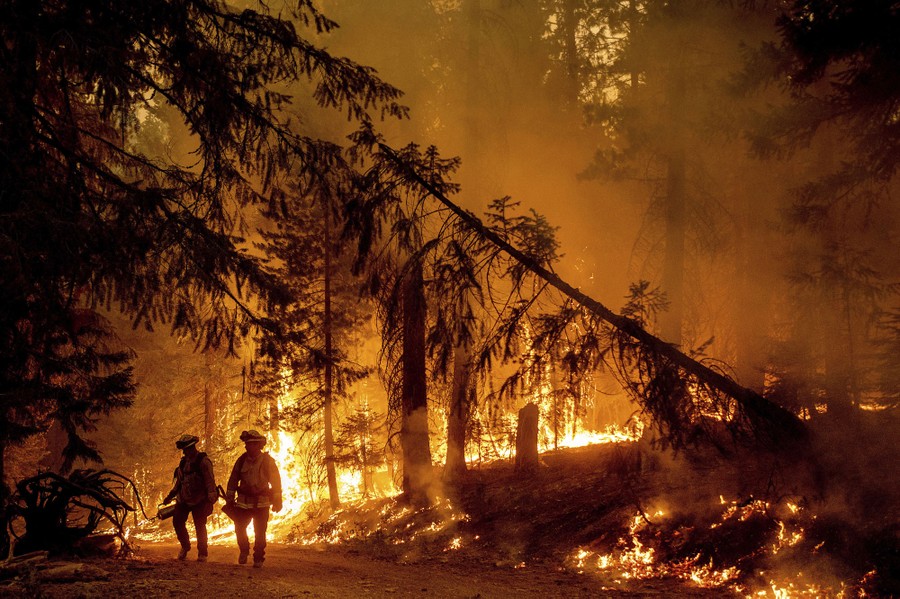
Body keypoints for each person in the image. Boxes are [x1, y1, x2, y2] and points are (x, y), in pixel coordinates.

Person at [225, 429, 282, 568]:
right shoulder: (241, 460)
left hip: (261, 503)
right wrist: (230, 497)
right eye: (246, 444)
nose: (246, 447)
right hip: (243, 503)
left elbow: (276, 481)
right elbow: (233, 479)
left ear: (258, 445)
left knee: (260, 532)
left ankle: (258, 558)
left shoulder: (268, 461)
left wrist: (277, 501)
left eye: (249, 444)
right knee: (239, 528)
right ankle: (244, 550)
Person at [163, 434, 218, 562]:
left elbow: (210, 481)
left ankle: (202, 553)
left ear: (193, 448)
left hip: (200, 500)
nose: (185, 452)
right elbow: (179, 483)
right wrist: (170, 496)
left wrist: (211, 500)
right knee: (177, 522)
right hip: (183, 499)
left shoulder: (204, 462)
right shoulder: (183, 463)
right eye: (184, 450)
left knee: (200, 526)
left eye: (187, 449)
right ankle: (185, 546)